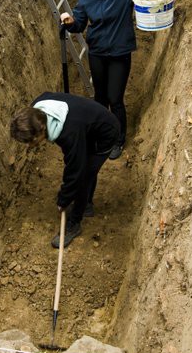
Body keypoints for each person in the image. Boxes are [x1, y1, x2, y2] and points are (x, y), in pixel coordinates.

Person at [59, 0, 162, 160]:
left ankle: (118, 140)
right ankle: (101, 134)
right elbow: (79, 25)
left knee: (115, 99)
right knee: (100, 98)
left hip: (119, 54)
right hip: (97, 53)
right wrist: (70, 21)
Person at [10, 91, 120, 248]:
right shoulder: (37, 108)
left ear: (41, 130)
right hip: (87, 125)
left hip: (105, 133)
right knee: (84, 169)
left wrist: (64, 199)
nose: (30, 146)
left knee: (84, 176)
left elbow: (75, 171)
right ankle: (86, 204)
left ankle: (74, 224)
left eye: (30, 142)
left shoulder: (69, 132)